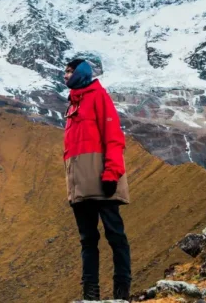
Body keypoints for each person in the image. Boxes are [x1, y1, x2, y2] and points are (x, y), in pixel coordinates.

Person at [63, 59, 131, 301]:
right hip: (81, 186)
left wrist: (112, 173)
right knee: (87, 240)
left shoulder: (98, 97)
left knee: (115, 235)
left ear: (81, 73)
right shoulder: (72, 105)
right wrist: (72, 187)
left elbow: (114, 137)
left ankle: (121, 293)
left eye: (70, 71)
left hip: (103, 182)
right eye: (65, 72)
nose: (65, 76)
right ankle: (90, 295)